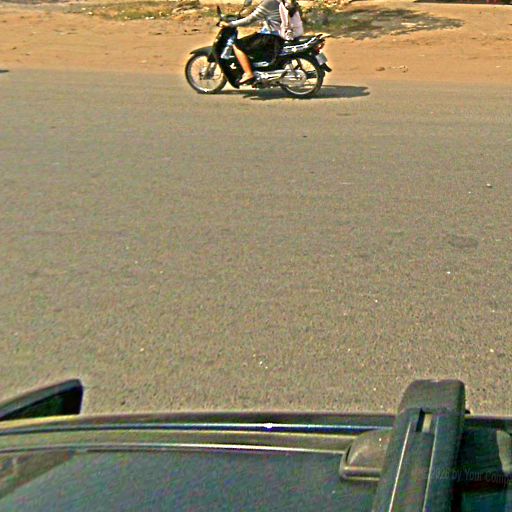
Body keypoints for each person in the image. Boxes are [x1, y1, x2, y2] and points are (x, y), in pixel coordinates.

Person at [220, 0, 283, 85]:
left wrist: (230, 24)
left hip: (270, 37)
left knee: (237, 45)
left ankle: (248, 73)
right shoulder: (282, 1)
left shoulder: (269, 2)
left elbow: (250, 19)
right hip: (280, 35)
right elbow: (260, 19)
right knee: (252, 40)